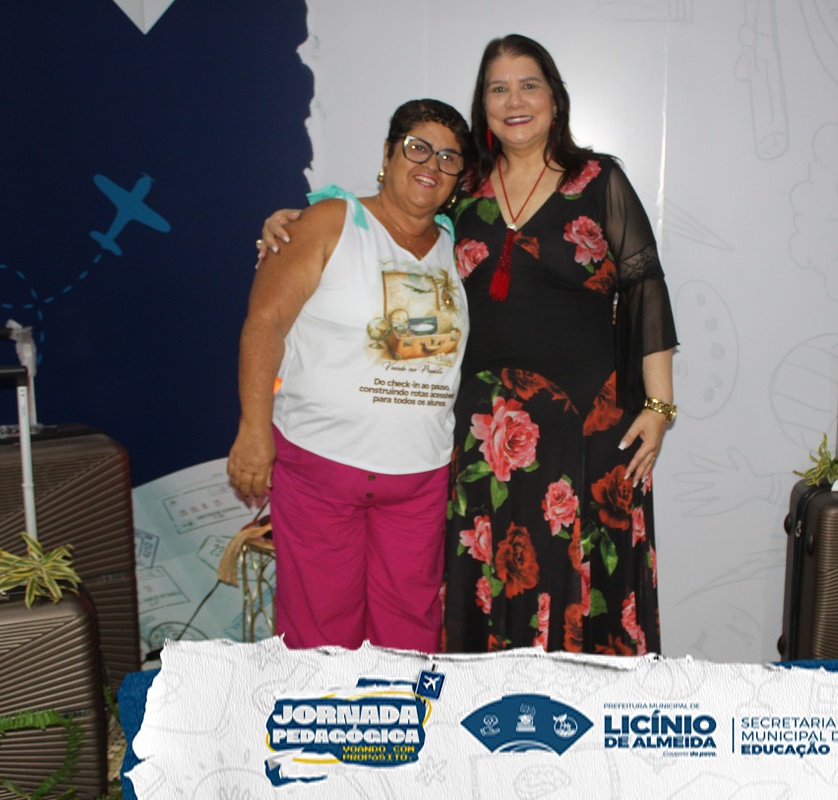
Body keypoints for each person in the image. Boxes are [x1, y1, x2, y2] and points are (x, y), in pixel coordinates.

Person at [260, 34, 678, 656]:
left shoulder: (599, 180)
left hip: (585, 427)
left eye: (529, 85)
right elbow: (392, 215)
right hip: (485, 435)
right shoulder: (464, 187)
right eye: (497, 89)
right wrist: (296, 220)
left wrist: (659, 405)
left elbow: (645, 283)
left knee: (580, 582)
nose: (515, 101)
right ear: (483, 106)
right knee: (487, 581)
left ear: (555, 99)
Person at [228, 99, 472, 652]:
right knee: (319, 634)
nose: (431, 164)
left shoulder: (458, 244)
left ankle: (395, 717)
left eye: (449, 157)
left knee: (409, 636)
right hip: (320, 467)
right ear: (387, 155)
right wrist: (253, 429)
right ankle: (324, 716)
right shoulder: (331, 221)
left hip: (419, 477)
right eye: (417, 148)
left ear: (459, 177)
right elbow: (265, 323)